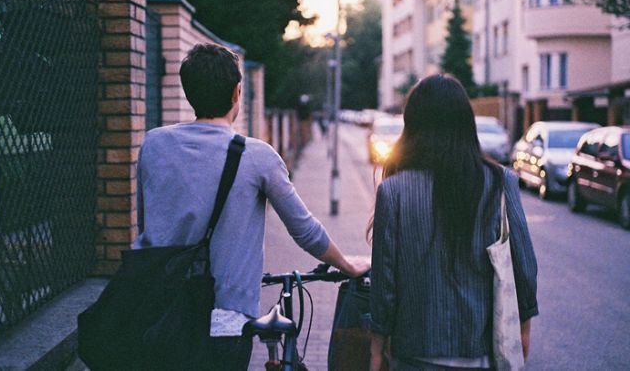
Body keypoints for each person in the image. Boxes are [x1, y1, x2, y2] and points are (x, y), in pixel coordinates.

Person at [133, 43, 369, 370]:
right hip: (225, 320)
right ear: (237, 92)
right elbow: (305, 231)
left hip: (156, 312)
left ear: (188, 93)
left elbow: (146, 226)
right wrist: (347, 264)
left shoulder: (153, 145)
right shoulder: (257, 156)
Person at [368, 74, 538, 371]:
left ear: (413, 125)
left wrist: (376, 347)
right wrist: (523, 327)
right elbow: (523, 265)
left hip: (414, 352)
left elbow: (385, 281)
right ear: (465, 123)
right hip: (481, 349)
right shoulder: (501, 184)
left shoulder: (393, 191)